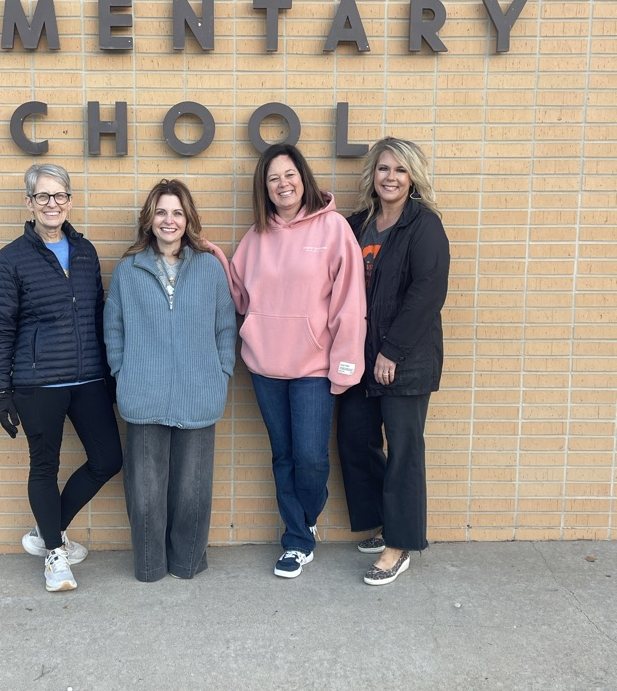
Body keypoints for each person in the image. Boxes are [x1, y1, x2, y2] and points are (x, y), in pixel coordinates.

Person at [219, 143, 366, 578]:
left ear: (303, 178)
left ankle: (306, 517)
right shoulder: (256, 235)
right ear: (264, 188)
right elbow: (241, 296)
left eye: (289, 175)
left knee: (312, 457)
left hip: (313, 369)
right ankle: (297, 539)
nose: (283, 184)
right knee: (282, 454)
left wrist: (344, 365)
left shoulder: (335, 229)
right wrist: (211, 256)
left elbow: (349, 302)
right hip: (265, 366)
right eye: (273, 179)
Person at [0, 163, 123, 593]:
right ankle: (55, 556)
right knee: (43, 466)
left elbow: (99, 315)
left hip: (87, 381)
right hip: (37, 382)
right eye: (43, 196)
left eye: (59, 195)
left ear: (69, 200)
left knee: (108, 460)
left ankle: (48, 533)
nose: (52, 203)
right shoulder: (11, 259)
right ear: (29, 203)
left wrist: (110, 372)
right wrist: (2, 389)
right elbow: (0, 326)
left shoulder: (85, 251)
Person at [103, 180, 236, 582]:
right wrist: (122, 371)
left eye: (177, 212)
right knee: (145, 494)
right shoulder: (129, 269)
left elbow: (225, 326)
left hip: (200, 393)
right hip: (143, 393)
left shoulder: (210, 266)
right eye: (161, 212)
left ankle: (187, 562)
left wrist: (221, 370)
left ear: (188, 219)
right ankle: (150, 565)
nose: (169, 220)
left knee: (192, 492)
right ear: (150, 218)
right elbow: (114, 328)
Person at [337, 137, 450, 585]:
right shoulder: (358, 223)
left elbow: (427, 293)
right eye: (384, 169)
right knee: (354, 439)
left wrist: (392, 351)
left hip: (404, 359)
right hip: (359, 357)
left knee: (404, 452)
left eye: (400, 170)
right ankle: (384, 522)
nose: (391, 177)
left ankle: (399, 545)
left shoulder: (424, 225)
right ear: (373, 174)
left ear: (413, 177)